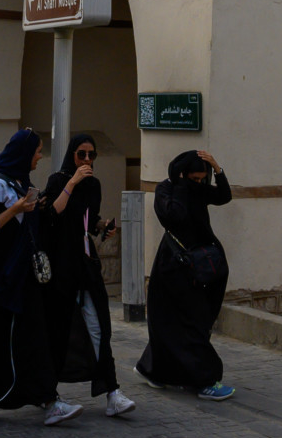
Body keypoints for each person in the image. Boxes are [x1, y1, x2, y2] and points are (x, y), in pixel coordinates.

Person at [0, 129, 80, 426]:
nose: (39, 157)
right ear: (23, 153)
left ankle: (48, 399)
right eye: (37, 151)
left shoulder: (23, 183)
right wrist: (17, 208)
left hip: (19, 278)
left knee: (32, 337)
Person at [42, 134, 133, 417]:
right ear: (72, 155)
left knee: (99, 326)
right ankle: (48, 395)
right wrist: (72, 183)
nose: (86, 160)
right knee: (56, 330)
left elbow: (88, 219)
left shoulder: (94, 185)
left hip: (85, 263)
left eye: (91, 155)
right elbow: (52, 216)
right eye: (81, 154)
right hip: (61, 265)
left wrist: (103, 225)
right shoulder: (58, 181)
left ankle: (112, 392)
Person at [137, 149, 235, 400]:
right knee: (174, 323)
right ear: (182, 174)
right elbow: (174, 217)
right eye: (194, 178)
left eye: (203, 179)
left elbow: (224, 196)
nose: (199, 184)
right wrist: (180, 185)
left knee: (194, 320)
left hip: (199, 266)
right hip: (173, 266)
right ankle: (204, 380)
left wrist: (217, 167)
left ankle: (155, 371)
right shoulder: (166, 190)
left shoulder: (197, 188)